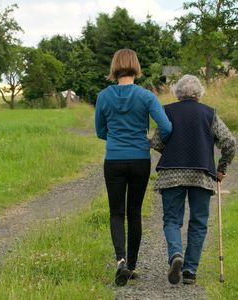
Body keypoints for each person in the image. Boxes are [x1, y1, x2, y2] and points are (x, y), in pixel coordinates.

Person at [95, 49, 172, 286]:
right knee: (134, 213)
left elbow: (100, 131)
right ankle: (132, 265)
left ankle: (120, 261)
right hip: (140, 159)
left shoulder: (103, 96)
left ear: (115, 67)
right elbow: (167, 127)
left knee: (116, 213)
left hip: (114, 160)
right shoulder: (146, 96)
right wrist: (149, 141)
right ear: (136, 66)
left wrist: (117, 138)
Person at [150, 74, 236, 285]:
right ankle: (189, 271)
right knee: (198, 222)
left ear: (177, 92)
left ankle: (175, 254)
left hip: (171, 173)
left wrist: (169, 148)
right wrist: (221, 168)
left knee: (171, 219)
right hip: (202, 173)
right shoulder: (209, 113)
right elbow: (229, 142)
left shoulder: (167, 111)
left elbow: (157, 142)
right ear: (199, 93)